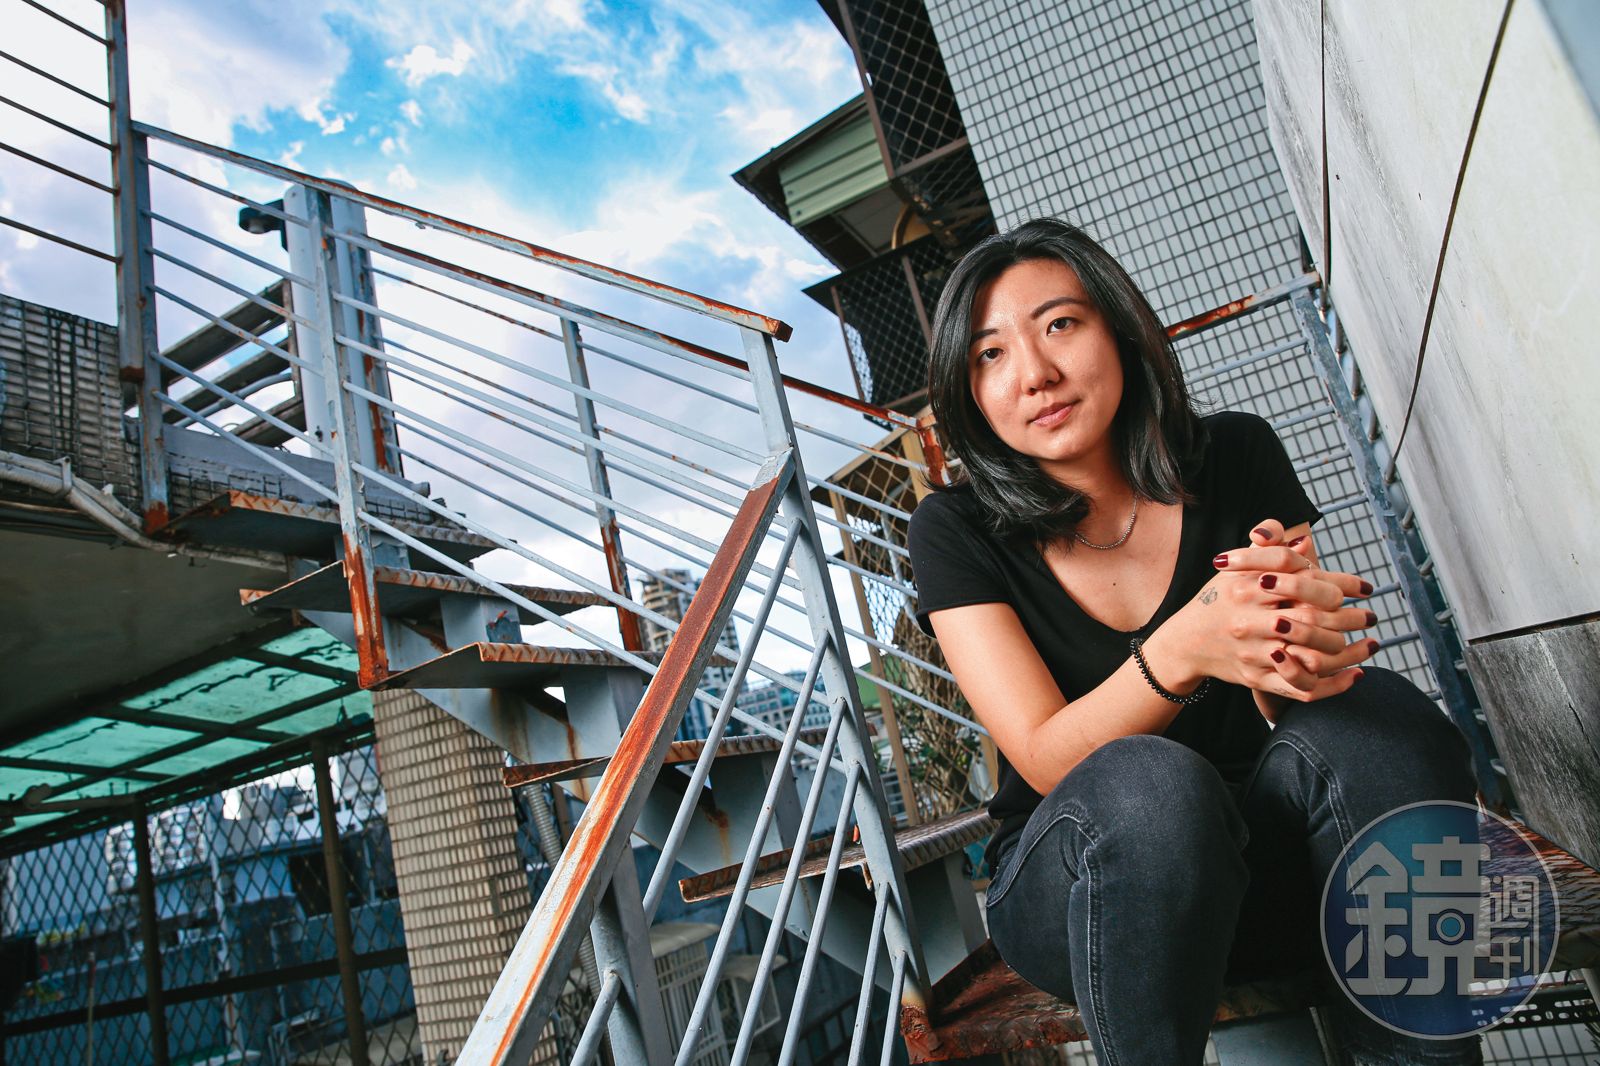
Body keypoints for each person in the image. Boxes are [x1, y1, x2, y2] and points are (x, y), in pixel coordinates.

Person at [906, 218, 1482, 1065]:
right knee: (1152, 786)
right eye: (989, 354)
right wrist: (1185, 647)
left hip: (1281, 873)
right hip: (1090, 890)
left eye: (1060, 324)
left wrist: (1297, 650)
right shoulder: (955, 528)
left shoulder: (1234, 453)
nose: (1034, 374)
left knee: (1378, 716)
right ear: (970, 391)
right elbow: (1042, 755)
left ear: (1118, 329)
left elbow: (1295, 697)